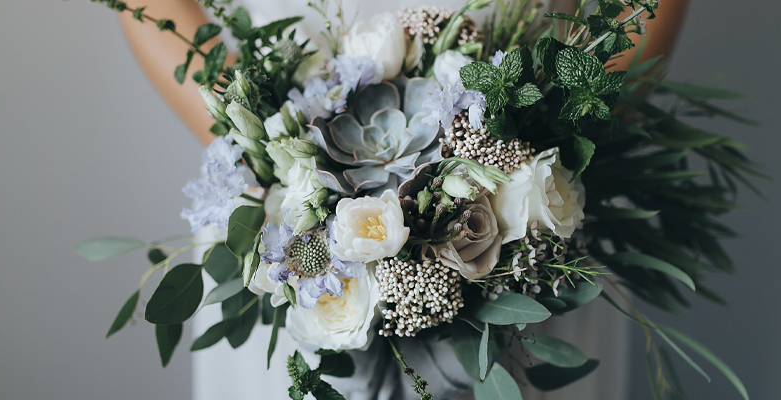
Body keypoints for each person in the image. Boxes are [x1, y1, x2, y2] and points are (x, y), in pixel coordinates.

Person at [118, 1, 689, 399]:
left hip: (528, 229)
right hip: (284, 228)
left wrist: (535, 157)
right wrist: (268, 155)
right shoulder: (282, 196)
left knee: (508, 366)